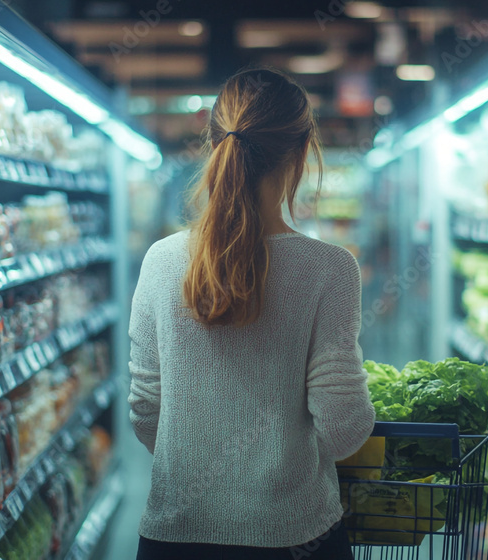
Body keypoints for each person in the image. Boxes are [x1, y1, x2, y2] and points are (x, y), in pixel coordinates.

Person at [128, 67, 376, 560]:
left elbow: (145, 411)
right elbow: (343, 427)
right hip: (294, 536)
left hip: (175, 537)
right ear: (303, 154)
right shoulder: (330, 269)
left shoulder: (161, 261)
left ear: (215, 144)